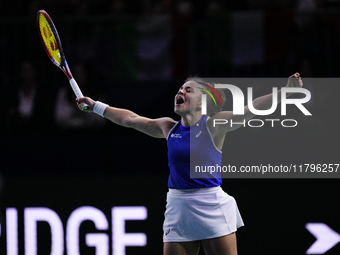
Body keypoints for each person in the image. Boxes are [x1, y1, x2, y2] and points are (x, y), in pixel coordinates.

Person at [76, 73, 303, 255]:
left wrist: (285, 92)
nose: (180, 91)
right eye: (180, 89)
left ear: (202, 101)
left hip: (210, 204)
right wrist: (96, 106)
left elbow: (250, 110)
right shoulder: (168, 127)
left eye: (188, 90)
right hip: (178, 206)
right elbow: (131, 119)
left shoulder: (214, 125)